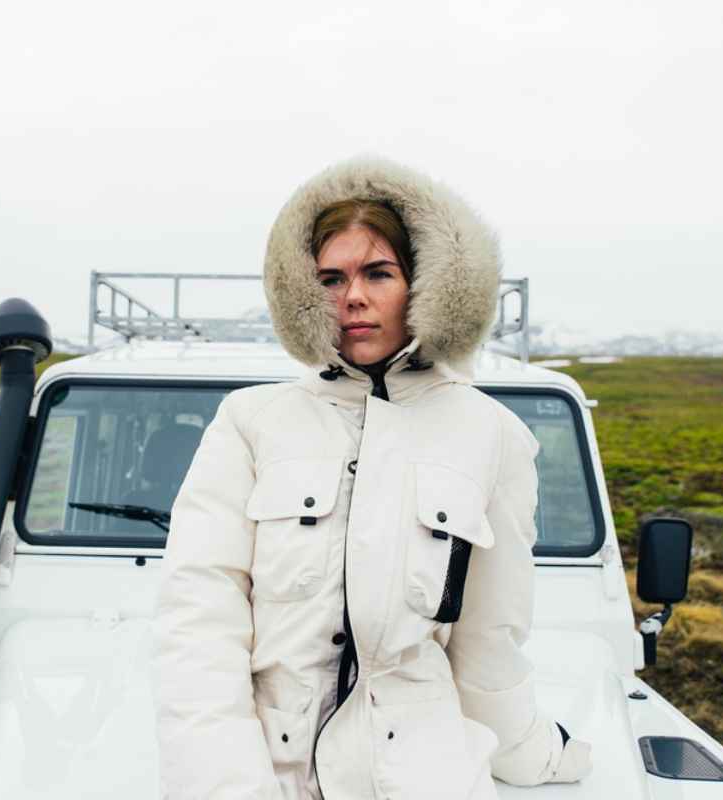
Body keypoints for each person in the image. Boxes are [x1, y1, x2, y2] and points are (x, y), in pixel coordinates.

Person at [151, 157, 593, 799]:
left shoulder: (491, 435)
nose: (352, 297)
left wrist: (531, 752)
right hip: (271, 769)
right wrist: (223, 783)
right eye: (330, 278)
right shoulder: (252, 422)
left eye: (378, 273)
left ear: (428, 285)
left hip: (424, 772)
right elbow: (200, 614)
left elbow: (488, 642)